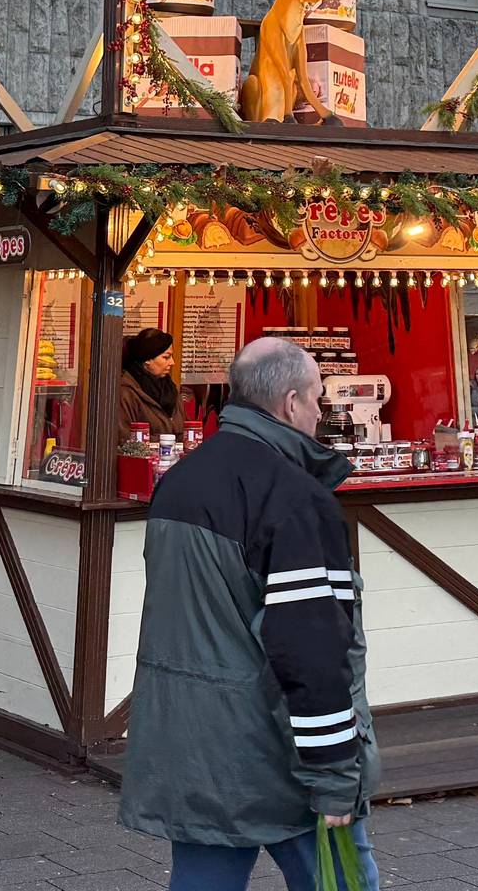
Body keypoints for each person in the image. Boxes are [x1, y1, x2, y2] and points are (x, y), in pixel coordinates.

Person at [120, 338, 378, 891]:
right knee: (343, 884)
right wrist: (335, 776)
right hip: (278, 755)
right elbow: (310, 650)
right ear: (290, 404)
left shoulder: (178, 483)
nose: (319, 413)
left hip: (191, 745)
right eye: (317, 401)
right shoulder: (295, 500)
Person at [121, 328, 185, 439]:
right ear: (147, 360)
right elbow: (123, 437)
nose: (172, 362)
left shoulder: (171, 389)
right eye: (166, 357)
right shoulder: (126, 392)